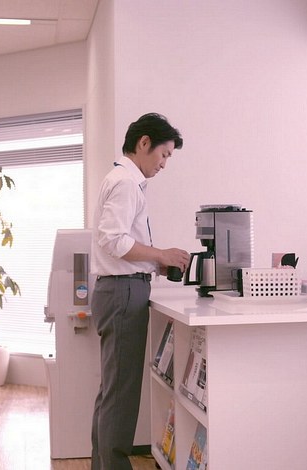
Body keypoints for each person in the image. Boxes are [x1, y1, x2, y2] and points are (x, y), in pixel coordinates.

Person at [90, 113, 190, 470]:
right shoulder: (126, 183)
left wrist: (153, 263)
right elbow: (114, 240)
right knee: (121, 395)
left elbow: (118, 243)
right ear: (144, 143)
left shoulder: (122, 180)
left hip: (119, 290)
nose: (164, 164)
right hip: (122, 293)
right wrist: (160, 254)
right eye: (164, 154)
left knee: (112, 392)